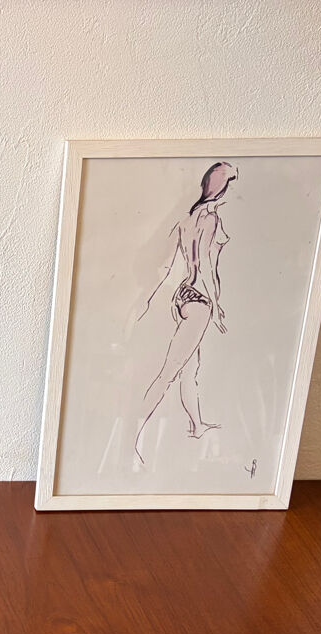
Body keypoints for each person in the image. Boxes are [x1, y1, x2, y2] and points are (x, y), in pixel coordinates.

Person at [134, 161, 237, 465]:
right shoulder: (210, 219)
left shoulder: (188, 218)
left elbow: (173, 263)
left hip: (184, 295)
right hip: (200, 299)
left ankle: (196, 424)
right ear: (223, 188)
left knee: (189, 370)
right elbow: (204, 265)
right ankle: (134, 433)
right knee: (170, 371)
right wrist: (216, 308)